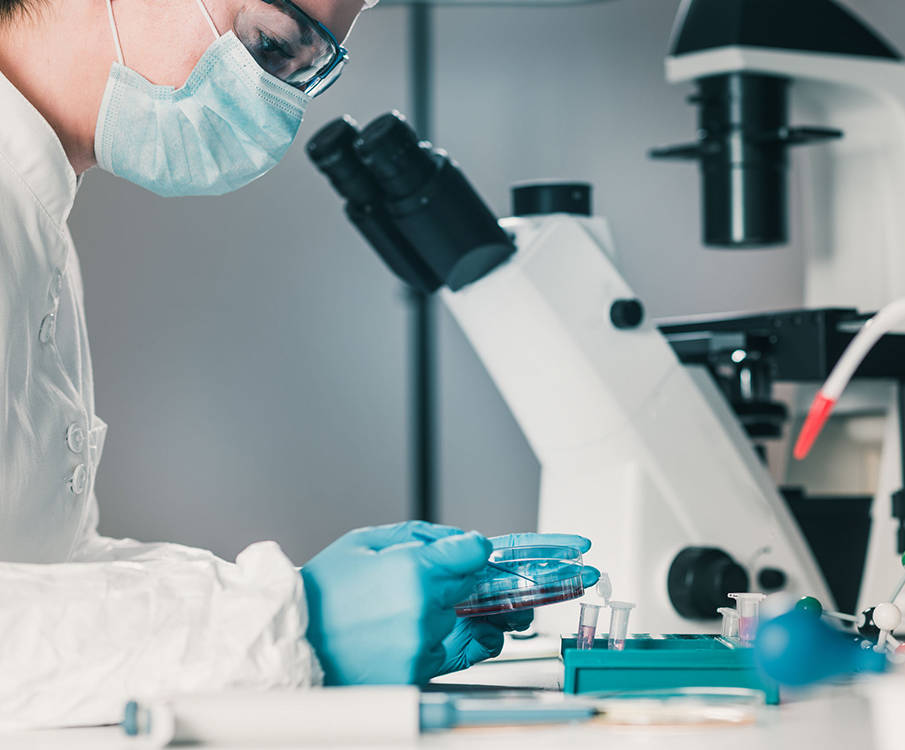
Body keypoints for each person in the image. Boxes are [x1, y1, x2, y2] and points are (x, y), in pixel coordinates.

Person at [0, 0, 599, 730]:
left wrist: (285, 598)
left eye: (304, 69)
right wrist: (297, 626)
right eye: (271, 44)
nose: (272, 103)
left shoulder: (33, 215)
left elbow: (49, 572)